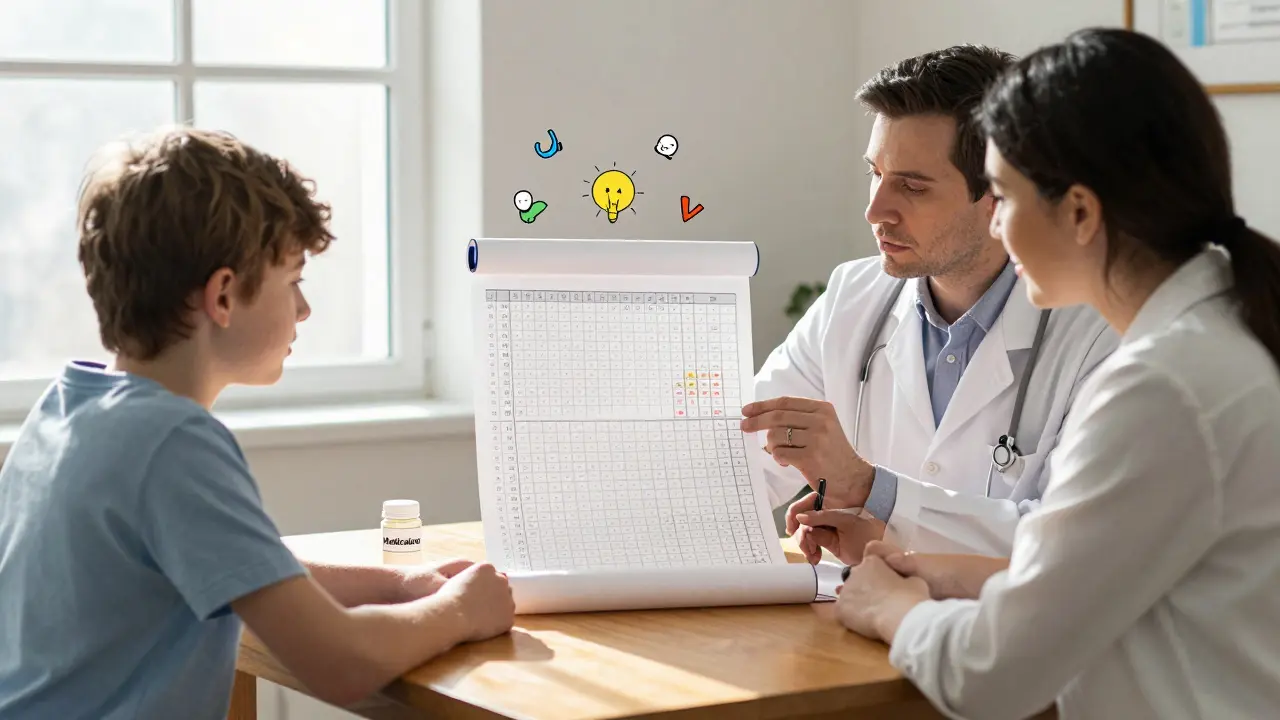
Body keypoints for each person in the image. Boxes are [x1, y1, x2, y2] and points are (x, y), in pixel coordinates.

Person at [836, 27, 1280, 719]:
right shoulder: (1221, 332)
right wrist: (943, 571)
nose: (997, 226)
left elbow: (993, 674)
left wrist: (895, 611)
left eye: (1004, 199)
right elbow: (1115, 576)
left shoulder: (1164, 388)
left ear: (1078, 211)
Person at [0, 127, 515, 719]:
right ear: (222, 296)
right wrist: (460, 612)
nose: (304, 308)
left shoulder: (69, 409)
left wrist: (399, 586)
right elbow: (340, 663)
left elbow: (247, 568)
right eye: (293, 280)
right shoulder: (173, 444)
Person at [742, 45, 1118, 559]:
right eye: (875, 173)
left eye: (912, 187)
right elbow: (740, 461)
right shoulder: (853, 297)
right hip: (865, 619)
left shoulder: (1100, 333)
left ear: (1000, 194)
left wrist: (871, 490)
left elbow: (1077, 545)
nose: (876, 210)